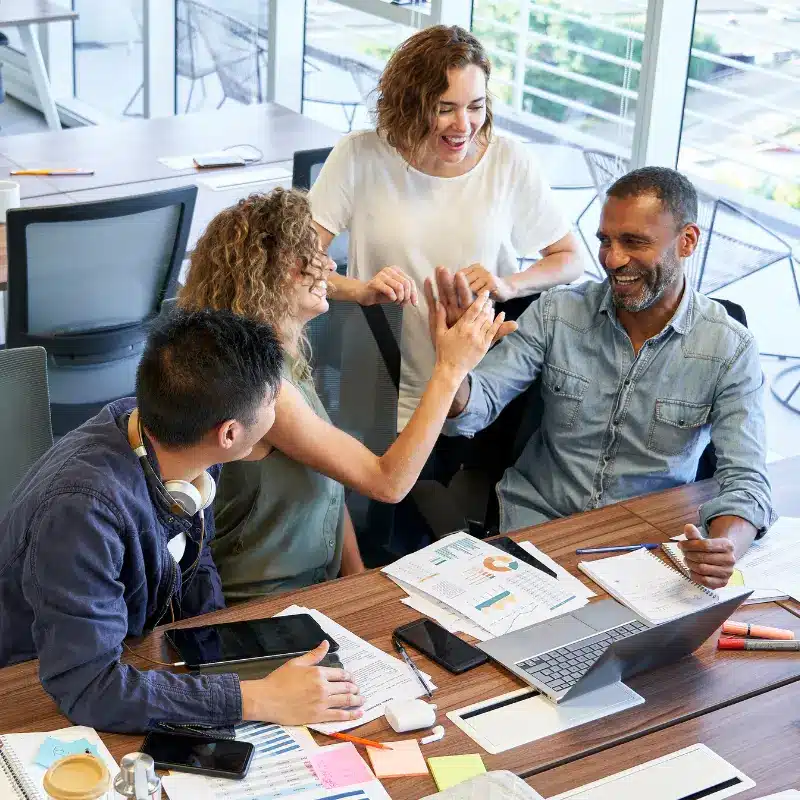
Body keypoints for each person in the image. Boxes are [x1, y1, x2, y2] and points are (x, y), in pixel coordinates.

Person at [0, 309, 364, 733]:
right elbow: (88, 687)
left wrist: (220, 659)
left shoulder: (174, 433)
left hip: (128, 653)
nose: (283, 406)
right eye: (274, 401)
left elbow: (196, 555)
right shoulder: (84, 512)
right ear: (229, 433)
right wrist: (256, 698)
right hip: (29, 689)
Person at [432, 167, 774, 589]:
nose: (612, 259)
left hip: (647, 549)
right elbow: (475, 406)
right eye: (605, 241)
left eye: (634, 242)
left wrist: (724, 549)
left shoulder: (730, 347)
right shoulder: (557, 312)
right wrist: (452, 368)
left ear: (687, 241)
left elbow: (747, 482)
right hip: (535, 533)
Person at [178, 188, 515, 600]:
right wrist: (449, 369)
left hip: (321, 586)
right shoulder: (263, 387)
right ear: (264, 276)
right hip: (264, 607)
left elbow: (331, 476)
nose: (329, 265)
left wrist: (357, 575)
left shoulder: (282, 354)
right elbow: (386, 482)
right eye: (310, 259)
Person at [308, 24, 582, 431]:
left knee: (462, 487)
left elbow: (570, 260)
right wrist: (361, 291)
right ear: (408, 105)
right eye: (444, 107)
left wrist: (509, 285)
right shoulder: (359, 155)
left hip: (475, 384)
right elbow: (294, 266)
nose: (463, 125)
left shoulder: (508, 160)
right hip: (378, 376)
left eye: (475, 106)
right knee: (376, 489)